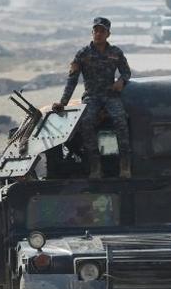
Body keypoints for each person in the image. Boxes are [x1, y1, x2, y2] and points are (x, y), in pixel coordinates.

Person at [52, 17, 132, 179]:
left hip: (110, 95)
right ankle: (95, 167)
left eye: (102, 31)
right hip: (91, 96)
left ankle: (125, 166)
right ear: (92, 32)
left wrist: (121, 81)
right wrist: (63, 102)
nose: (98, 34)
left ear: (108, 34)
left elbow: (126, 72)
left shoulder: (116, 52)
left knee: (120, 120)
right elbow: (72, 79)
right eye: (96, 30)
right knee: (86, 122)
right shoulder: (83, 54)